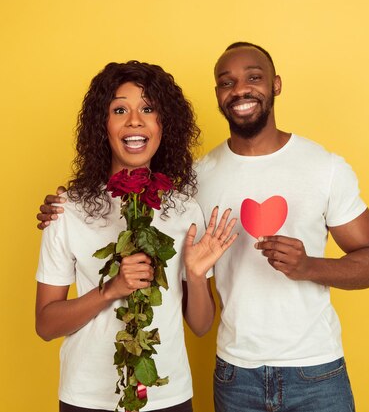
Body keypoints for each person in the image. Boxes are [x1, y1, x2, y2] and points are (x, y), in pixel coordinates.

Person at [38, 43, 369, 412]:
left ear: (276, 84)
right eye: (227, 82)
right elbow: (48, 319)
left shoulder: (322, 168)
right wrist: (65, 209)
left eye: (254, 77)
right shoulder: (196, 182)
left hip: (315, 371)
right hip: (235, 375)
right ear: (218, 95)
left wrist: (309, 267)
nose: (240, 89)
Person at [35, 60, 237, 412]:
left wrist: (194, 274)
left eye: (148, 109)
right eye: (119, 109)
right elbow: (46, 324)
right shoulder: (67, 210)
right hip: (87, 397)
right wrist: (111, 289)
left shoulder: (185, 209)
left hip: (168, 396)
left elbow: (202, 325)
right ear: (103, 125)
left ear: (164, 125)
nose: (134, 121)